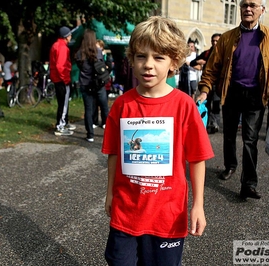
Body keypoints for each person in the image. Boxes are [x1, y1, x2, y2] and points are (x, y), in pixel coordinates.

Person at [102, 16, 214, 266]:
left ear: (174, 62)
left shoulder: (184, 105)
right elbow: (113, 153)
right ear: (132, 58)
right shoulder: (122, 105)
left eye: (158, 58)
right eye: (141, 56)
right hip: (126, 211)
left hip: (167, 215)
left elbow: (197, 158)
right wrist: (110, 193)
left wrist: (198, 206)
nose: (148, 65)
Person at [196, 0, 269, 199]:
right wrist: (204, 90)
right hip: (232, 93)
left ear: (261, 10)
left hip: (256, 95)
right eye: (244, 5)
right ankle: (230, 165)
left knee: (250, 140)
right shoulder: (227, 38)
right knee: (229, 134)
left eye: (253, 5)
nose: (248, 8)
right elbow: (211, 69)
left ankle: (248, 184)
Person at [76, 29, 110, 142]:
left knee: (88, 109)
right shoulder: (98, 51)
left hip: (85, 83)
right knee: (104, 106)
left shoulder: (79, 53)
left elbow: (80, 67)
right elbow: (101, 66)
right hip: (98, 83)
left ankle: (90, 134)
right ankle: (108, 131)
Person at [190, 33, 222, 133]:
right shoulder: (207, 53)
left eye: (217, 41)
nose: (215, 43)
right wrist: (200, 64)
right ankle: (207, 123)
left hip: (218, 83)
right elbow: (192, 63)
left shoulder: (224, 54)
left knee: (216, 105)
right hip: (207, 82)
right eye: (213, 41)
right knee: (206, 103)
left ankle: (215, 124)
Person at [50, 26, 76, 136]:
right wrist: (66, 80)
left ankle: (64, 122)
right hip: (61, 79)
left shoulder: (56, 45)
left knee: (62, 102)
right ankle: (60, 126)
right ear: (66, 36)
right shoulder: (62, 48)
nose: (71, 37)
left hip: (57, 78)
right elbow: (61, 66)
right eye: (70, 35)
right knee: (63, 103)